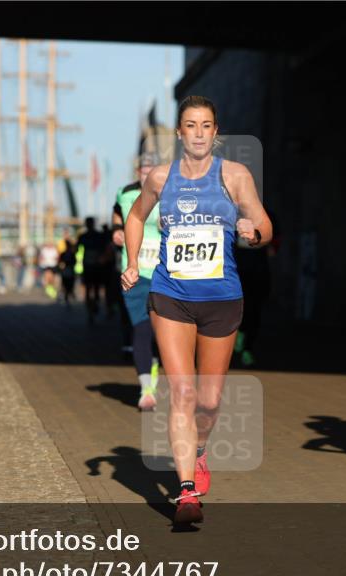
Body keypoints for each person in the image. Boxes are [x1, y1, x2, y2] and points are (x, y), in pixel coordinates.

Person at [122, 96, 273, 524]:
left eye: (207, 125)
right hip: (170, 296)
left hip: (222, 299)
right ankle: (186, 493)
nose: (200, 133)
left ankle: (200, 450)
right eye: (191, 125)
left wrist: (252, 230)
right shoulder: (159, 177)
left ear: (216, 131)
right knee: (183, 394)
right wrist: (134, 263)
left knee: (208, 400)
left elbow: (265, 226)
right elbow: (135, 217)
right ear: (180, 132)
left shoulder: (235, 175)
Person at [113, 153, 163, 410]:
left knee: (162, 333)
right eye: (144, 169)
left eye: (153, 168)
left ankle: (159, 370)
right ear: (138, 171)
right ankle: (146, 389)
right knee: (142, 329)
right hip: (136, 272)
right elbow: (117, 218)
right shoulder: (125, 193)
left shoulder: (171, 191)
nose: (148, 173)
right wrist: (117, 232)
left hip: (166, 273)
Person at [232, 207, 275, 367]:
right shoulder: (230, 213)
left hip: (258, 271)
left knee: (254, 310)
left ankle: (247, 348)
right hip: (236, 271)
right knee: (237, 309)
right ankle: (238, 334)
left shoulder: (267, 216)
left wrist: (260, 239)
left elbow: (274, 243)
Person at [78, 217, 106, 323]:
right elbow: (105, 248)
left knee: (90, 288)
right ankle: (94, 305)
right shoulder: (98, 235)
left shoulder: (83, 236)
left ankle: (91, 309)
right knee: (95, 288)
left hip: (89, 266)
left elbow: (76, 249)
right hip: (96, 266)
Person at [58, 232, 78, 305]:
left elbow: (74, 261)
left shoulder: (70, 254)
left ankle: (69, 294)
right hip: (67, 270)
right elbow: (60, 261)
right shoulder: (65, 254)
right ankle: (67, 295)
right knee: (66, 283)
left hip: (69, 270)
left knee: (68, 283)